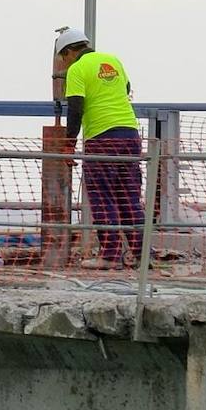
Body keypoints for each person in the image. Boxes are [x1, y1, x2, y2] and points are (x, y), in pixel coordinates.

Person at [54, 28, 142, 270]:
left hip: (102, 139)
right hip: (130, 135)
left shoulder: (77, 69)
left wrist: (68, 145)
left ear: (70, 52)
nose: (64, 63)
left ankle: (110, 256)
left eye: (64, 57)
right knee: (129, 197)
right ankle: (140, 255)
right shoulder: (113, 60)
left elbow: (75, 108)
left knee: (103, 197)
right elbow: (125, 90)